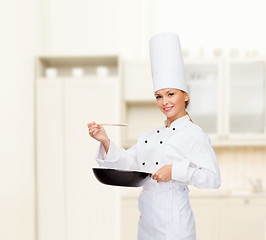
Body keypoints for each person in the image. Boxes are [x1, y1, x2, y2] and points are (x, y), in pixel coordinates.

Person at [88, 32, 221, 240]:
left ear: (185, 95)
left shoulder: (194, 134)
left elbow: (213, 179)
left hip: (175, 228)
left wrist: (175, 171)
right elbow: (127, 162)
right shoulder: (148, 137)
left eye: (171, 94)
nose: (164, 102)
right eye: (159, 96)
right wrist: (105, 140)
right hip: (147, 225)